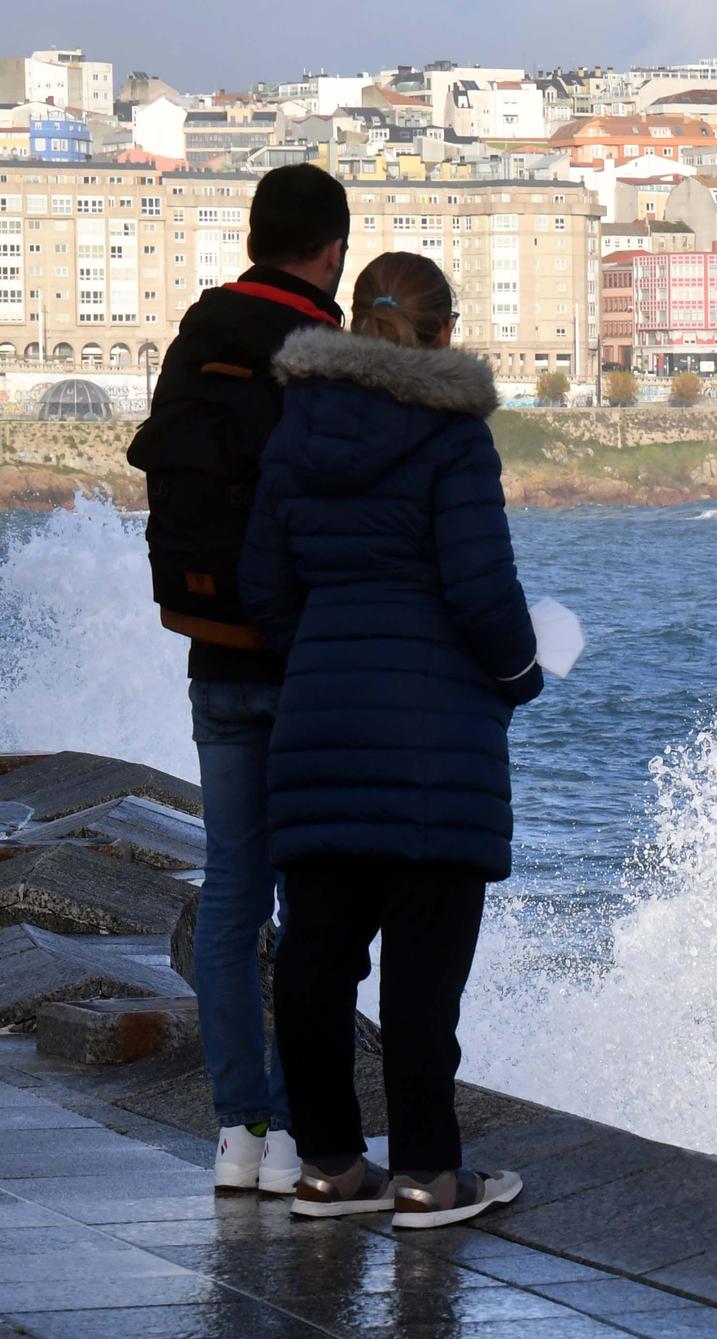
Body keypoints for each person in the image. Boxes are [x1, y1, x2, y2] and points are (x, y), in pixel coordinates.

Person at [239, 252, 543, 1227]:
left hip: (319, 725)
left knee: (317, 961)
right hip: (433, 741)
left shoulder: (297, 428)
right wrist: (517, 675)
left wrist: (324, 655)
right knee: (421, 978)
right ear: (443, 332)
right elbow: (480, 591)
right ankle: (425, 1176)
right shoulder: (453, 439)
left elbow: (264, 588)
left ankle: (328, 1168)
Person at [127, 164, 351, 1195]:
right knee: (316, 911)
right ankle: (313, 1139)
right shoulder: (325, 354)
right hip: (306, 665)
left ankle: (238, 1136)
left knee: (230, 895)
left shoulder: (194, 339)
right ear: (332, 250)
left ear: (254, 238)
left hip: (210, 646)